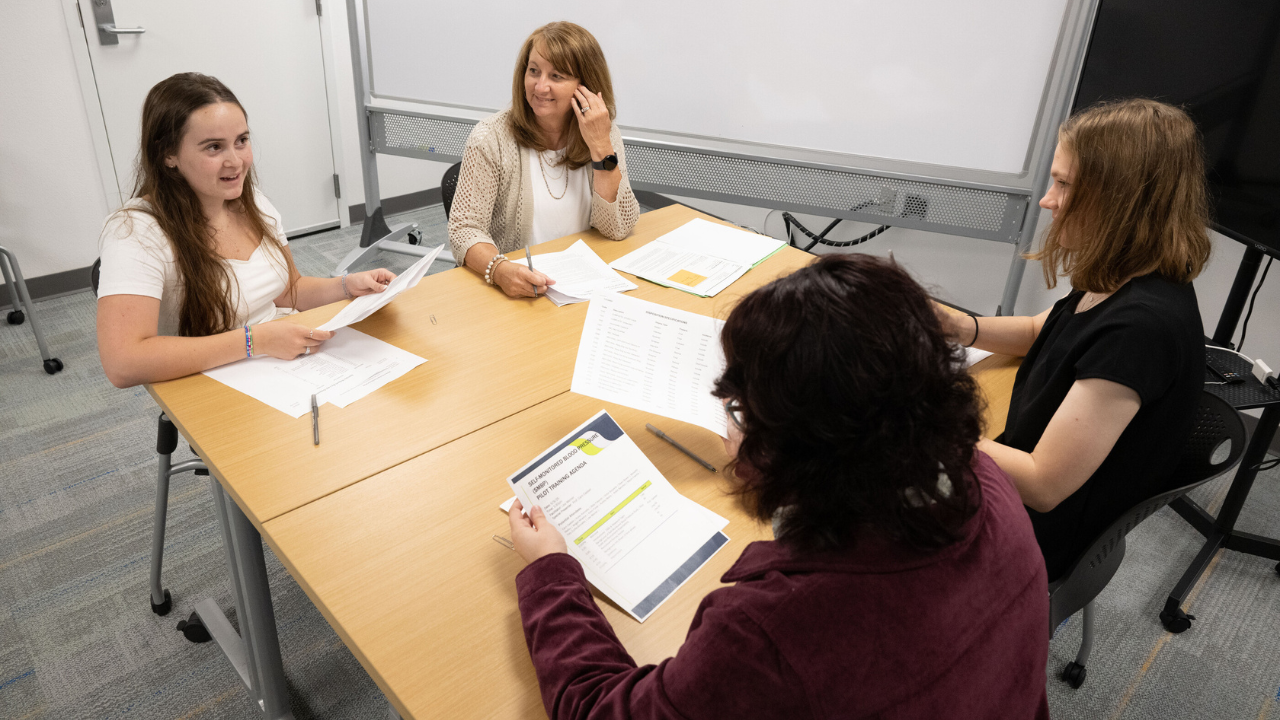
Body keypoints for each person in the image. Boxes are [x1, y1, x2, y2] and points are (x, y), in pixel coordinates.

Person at [508, 254, 1050, 719]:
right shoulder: (984, 483)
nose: (728, 421)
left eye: (740, 409)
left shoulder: (770, 633)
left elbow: (604, 711)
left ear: (806, 447)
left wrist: (551, 576)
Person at [938, 98, 1211, 582]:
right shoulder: (1124, 272)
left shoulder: (1141, 328)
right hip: (1019, 482)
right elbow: (1042, 332)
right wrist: (964, 328)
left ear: (1120, 198)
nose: (1047, 199)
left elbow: (1043, 484)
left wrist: (912, 427)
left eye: (1063, 184)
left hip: (1033, 535)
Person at [96, 73, 395, 389]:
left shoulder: (251, 203)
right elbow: (123, 363)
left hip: (281, 363)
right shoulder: (135, 233)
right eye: (214, 147)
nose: (235, 161)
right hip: (208, 381)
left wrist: (347, 287)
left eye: (242, 140)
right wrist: (256, 341)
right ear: (168, 155)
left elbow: (288, 290)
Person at [448, 21, 639, 298]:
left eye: (557, 76)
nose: (540, 86)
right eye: (534, 71)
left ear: (585, 86)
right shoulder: (490, 138)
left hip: (586, 287)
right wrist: (499, 270)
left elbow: (618, 228)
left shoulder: (603, 133)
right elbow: (463, 230)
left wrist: (600, 146)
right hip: (522, 292)